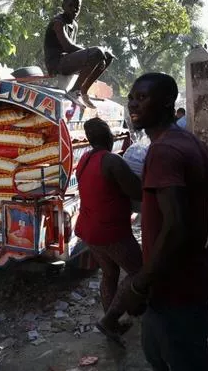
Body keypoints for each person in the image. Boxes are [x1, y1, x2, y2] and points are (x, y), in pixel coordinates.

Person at [115, 72, 208, 371]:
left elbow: (176, 226)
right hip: (181, 289)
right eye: (131, 98)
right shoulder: (186, 142)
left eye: (142, 98)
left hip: (171, 294)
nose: (132, 105)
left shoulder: (164, 151)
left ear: (166, 103)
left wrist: (138, 285)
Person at [75, 118, 143, 344]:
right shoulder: (112, 161)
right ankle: (109, 319)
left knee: (110, 274)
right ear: (109, 137)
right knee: (139, 272)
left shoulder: (84, 159)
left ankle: (111, 323)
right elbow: (136, 191)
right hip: (111, 232)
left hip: (90, 230)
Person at [43, 0, 115, 109]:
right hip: (56, 64)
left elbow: (73, 51)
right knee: (97, 52)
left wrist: (97, 54)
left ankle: (83, 90)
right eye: (71, 6)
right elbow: (68, 47)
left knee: (107, 57)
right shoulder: (58, 23)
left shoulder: (74, 25)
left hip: (67, 62)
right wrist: (92, 51)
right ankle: (74, 91)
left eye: (78, 7)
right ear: (63, 6)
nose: (74, 10)